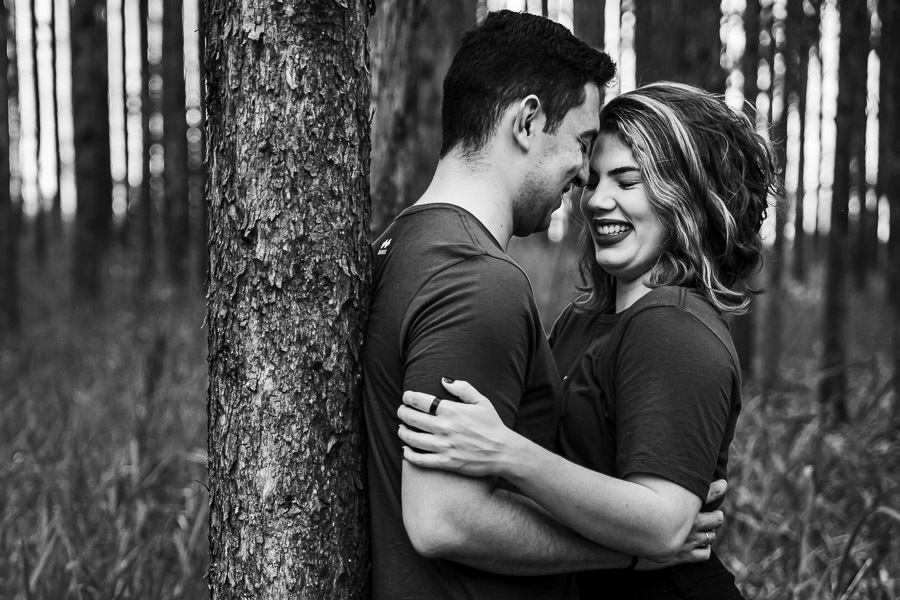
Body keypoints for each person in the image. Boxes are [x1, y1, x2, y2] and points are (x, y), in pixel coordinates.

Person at [363, 12, 728, 600]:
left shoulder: (398, 243)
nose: (584, 180)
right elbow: (444, 519)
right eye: (584, 146)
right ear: (528, 121)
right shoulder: (480, 282)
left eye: (624, 179)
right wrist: (629, 554)